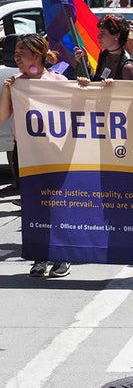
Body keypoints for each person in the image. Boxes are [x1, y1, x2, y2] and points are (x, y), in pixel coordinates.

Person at [0, 33, 71, 278]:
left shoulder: (58, 81)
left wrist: (84, 85)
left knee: (56, 206)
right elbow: (2, 117)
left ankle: (62, 255)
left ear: (37, 54)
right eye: (16, 52)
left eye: (22, 51)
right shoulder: (16, 83)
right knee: (33, 207)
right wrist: (7, 90)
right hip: (26, 152)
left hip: (55, 152)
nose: (17, 56)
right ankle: (39, 256)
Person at [75, 14, 133, 82]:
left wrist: (111, 88)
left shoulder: (128, 67)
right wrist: (85, 63)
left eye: (102, 33)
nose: (98, 37)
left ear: (117, 35)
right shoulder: (104, 53)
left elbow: (130, 92)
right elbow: (95, 83)